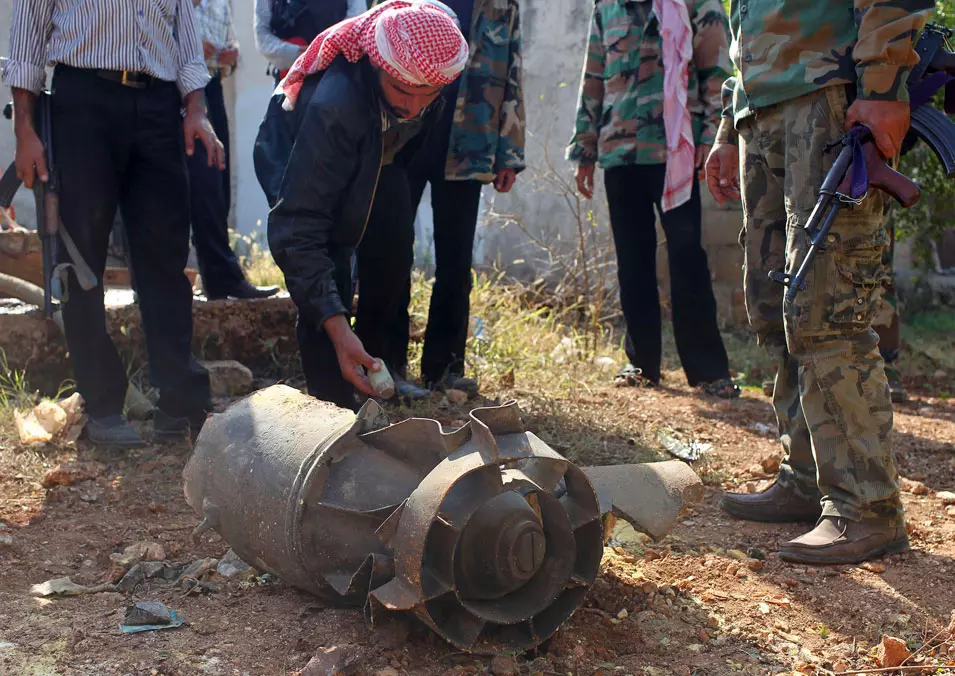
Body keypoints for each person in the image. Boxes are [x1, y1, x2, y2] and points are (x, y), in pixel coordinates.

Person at [706, 0, 934, 564]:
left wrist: (882, 85)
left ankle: (865, 507)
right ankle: (806, 479)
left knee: (826, 306)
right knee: (773, 301)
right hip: (762, 108)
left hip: (832, 96)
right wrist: (730, 123)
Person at [4, 0, 225, 447]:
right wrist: (24, 132)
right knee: (81, 257)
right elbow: (27, 39)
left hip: (160, 106)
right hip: (83, 103)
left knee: (165, 254)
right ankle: (103, 406)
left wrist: (196, 109)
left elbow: (183, 32)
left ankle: (179, 400)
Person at [254, 0, 469, 410]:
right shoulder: (334, 105)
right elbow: (299, 230)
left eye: (426, 95)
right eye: (402, 91)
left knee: (392, 248)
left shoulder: (425, 82)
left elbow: (405, 146)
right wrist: (339, 330)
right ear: (378, 66)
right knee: (327, 265)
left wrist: (378, 187)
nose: (412, 106)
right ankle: (329, 402)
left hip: (377, 157)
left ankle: (377, 369)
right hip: (303, 160)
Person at [567, 0, 740, 399]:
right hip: (620, 151)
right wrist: (585, 149)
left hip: (675, 153)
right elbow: (593, 76)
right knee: (632, 261)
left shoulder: (697, 5)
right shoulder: (607, 7)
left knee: (686, 257)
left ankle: (709, 371)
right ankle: (641, 364)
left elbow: (717, 75)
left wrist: (715, 136)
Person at [361, 0, 525, 396]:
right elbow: (372, 51)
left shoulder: (501, 4)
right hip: (403, 139)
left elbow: (513, 71)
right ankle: (386, 361)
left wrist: (510, 151)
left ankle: (445, 367)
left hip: (471, 140)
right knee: (391, 250)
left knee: (456, 260)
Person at [191, 0, 280, 300]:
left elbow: (229, 51)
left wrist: (231, 56)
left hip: (211, 85)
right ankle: (216, 276)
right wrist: (190, 45)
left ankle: (218, 279)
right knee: (199, 184)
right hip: (178, 89)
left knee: (218, 180)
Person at [254, 0, 353, 85]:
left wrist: (327, 50)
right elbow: (262, 36)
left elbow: (356, 20)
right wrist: (296, 53)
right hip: (292, 79)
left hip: (338, 73)